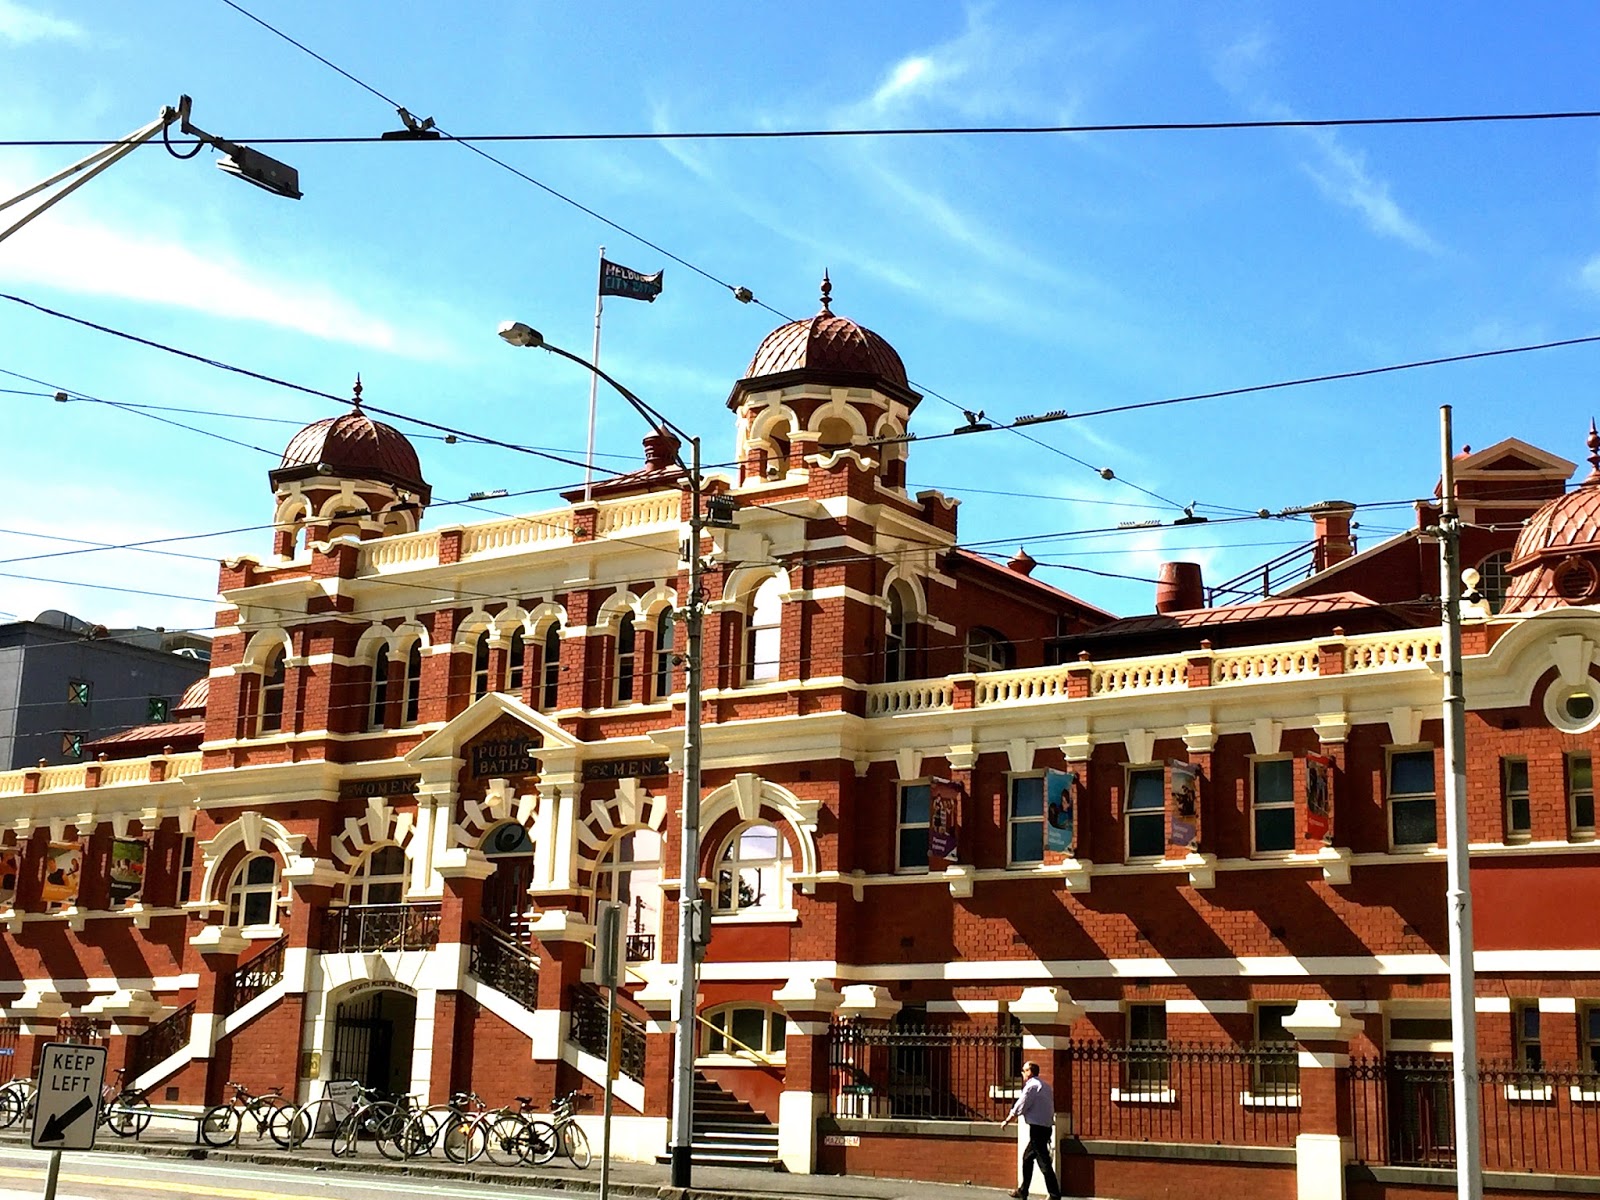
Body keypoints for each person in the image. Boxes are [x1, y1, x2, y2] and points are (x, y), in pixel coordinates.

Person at [999, 1060, 1060, 1200]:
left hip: (1037, 1129)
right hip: (1046, 1127)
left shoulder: (1031, 1086)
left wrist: (1008, 1119)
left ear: (1029, 1072)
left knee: (1043, 1163)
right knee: (1027, 1158)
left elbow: (1022, 1104)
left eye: (1023, 1070)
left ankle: (1054, 1194)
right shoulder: (1045, 1086)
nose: (1022, 1073)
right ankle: (1023, 1190)